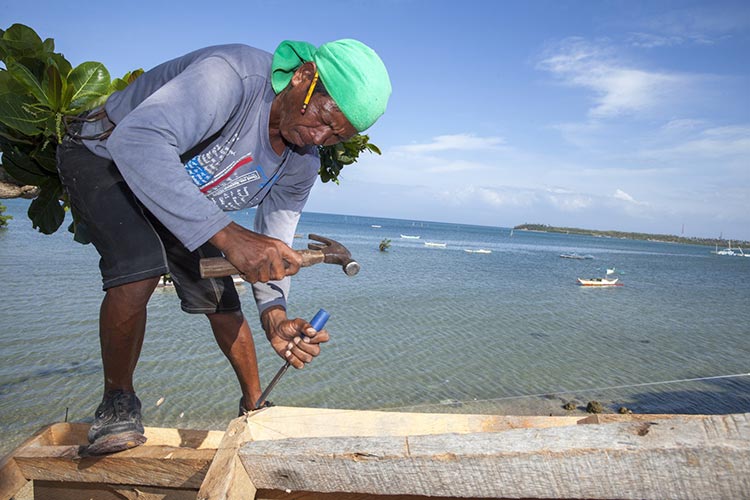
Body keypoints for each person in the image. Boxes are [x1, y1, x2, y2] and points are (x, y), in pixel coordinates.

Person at [56, 39, 391, 454]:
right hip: (105, 154)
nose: (320, 136)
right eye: (323, 117)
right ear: (304, 77)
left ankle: (254, 404)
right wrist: (230, 236)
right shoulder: (232, 76)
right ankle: (117, 402)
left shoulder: (301, 162)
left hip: (177, 196)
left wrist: (274, 314)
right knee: (139, 264)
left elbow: (274, 242)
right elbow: (137, 141)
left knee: (222, 302)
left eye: (336, 136)